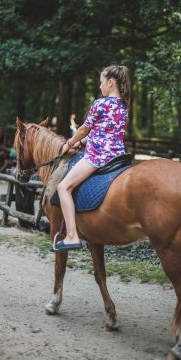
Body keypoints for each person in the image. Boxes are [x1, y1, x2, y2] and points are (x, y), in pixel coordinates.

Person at [55, 65, 131, 251]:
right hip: (118, 155)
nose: (100, 87)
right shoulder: (124, 106)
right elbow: (105, 133)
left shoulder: (100, 103)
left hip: (98, 156)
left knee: (63, 187)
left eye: (101, 82)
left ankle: (72, 235)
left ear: (111, 82)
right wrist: (84, 142)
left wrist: (70, 143)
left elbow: (84, 129)